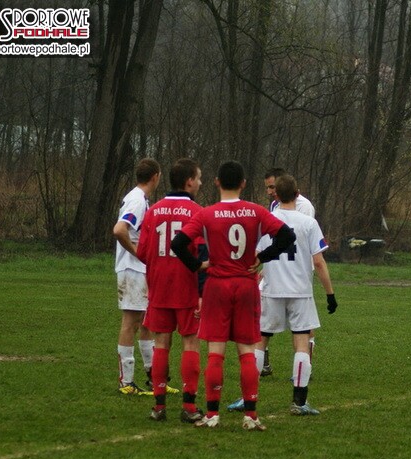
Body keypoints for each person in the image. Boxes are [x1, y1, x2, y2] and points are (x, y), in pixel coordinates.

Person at [171, 160, 296, 431]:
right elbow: (287, 236)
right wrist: (263, 257)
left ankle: (212, 415)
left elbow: (178, 243)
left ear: (217, 182)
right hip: (246, 285)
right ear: (243, 183)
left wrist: (197, 265)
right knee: (247, 350)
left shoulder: (206, 214)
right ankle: (250, 416)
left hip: (217, 286)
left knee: (215, 352)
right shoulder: (256, 211)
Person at [255, 175, 337, 416]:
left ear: (276, 195)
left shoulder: (266, 221)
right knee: (301, 342)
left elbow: (257, 256)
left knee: (261, 340)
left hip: (272, 289)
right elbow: (318, 262)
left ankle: (248, 397)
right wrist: (330, 294)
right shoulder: (308, 223)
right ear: (297, 193)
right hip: (300, 291)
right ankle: (299, 402)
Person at [136, 159, 206, 422]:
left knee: (161, 343)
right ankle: (189, 407)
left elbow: (143, 252)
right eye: (198, 178)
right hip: (187, 287)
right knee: (191, 341)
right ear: (189, 181)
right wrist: (202, 291)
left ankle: (159, 406)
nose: (200, 183)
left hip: (159, 287)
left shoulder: (153, 210)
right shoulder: (198, 212)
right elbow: (202, 254)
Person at [260, 167, 316, 376]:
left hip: (298, 273)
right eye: (268, 188)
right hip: (276, 270)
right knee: (263, 327)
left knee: (303, 329)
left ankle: (304, 369)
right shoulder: (275, 206)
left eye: (272, 187)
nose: (269, 192)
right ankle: (264, 363)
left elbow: (301, 241)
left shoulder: (304, 207)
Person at [113, 158, 161, 396]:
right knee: (130, 323)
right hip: (132, 270)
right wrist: (137, 253)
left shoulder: (139, 198)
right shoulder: (137, 201)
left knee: (145, 322)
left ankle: (154, 377)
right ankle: (126, 382)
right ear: (155, 177)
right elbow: (119, 229)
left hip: (138, 270)